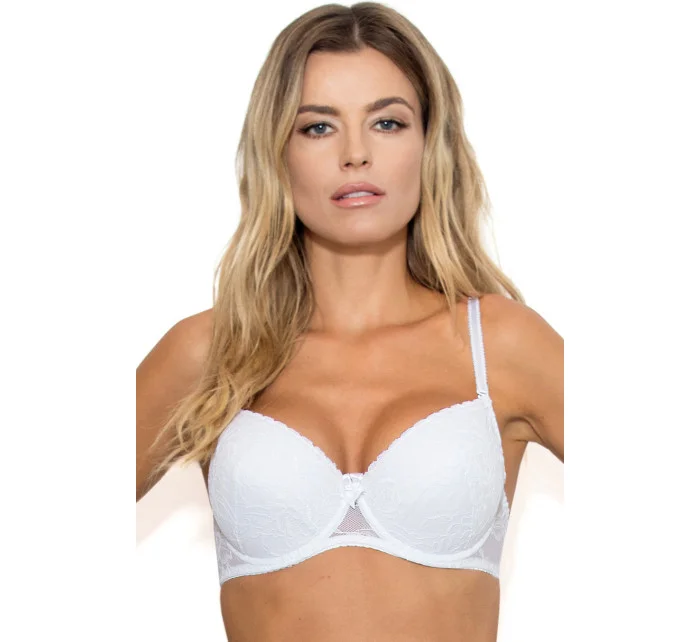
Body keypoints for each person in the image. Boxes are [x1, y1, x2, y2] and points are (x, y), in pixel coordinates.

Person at [136, 2, 564, 640]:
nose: (356, 154)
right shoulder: (211, 351)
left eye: (387, 122)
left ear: (430, 145)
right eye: (318, 127)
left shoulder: (501, 345)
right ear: (277, 153)